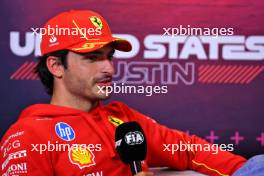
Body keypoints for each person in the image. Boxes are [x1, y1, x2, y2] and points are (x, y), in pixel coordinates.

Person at [0, 10, 248, 176]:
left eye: (109, 57)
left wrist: (246, 171)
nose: (108, 68)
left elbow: (187, 150)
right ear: (56, 66)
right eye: (92, 58)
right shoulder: (28, 136)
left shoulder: (123, 117)